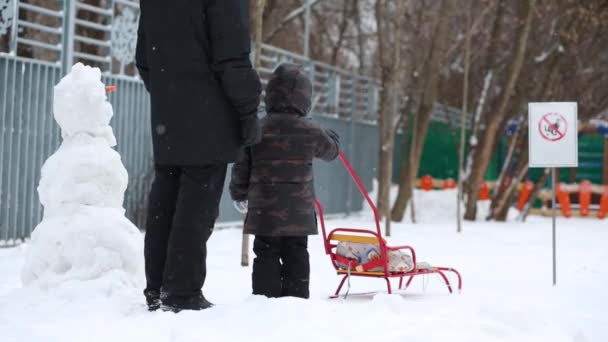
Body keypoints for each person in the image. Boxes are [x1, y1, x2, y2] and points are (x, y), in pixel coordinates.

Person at [135, 0, 262, 312]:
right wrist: (247, 111)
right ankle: (181, 292)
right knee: (196, 205)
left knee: (166, 195)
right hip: (210, 112)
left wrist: (171, 93)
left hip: (169, 111)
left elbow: (143, 58)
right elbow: (231, 58)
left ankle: (157, 288)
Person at [229, 63, 340, 299]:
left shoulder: (258, 127)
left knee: (265, 253)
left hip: (264, 210)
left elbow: (242, 163)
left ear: (269, 95)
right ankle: (296, 300)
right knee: (296, 254)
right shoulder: (310, 130)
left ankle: (264, 299)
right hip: (298, 212)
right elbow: (331, 152)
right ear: (305, 98)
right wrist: (331, 136)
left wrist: (239, 193)